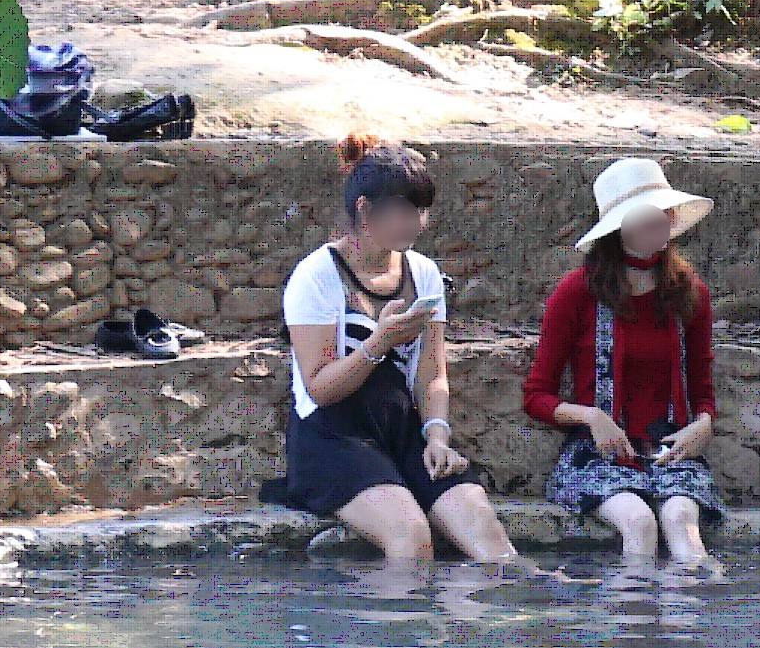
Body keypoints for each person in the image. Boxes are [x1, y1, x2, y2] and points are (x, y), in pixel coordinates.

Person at [273, 135, 518, 565]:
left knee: (489, 537)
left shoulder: (423, 273)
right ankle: (392, 632)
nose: (417, 223)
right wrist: (379, 342)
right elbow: (319, 389)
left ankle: (491, 622)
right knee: (412, 538)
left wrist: (437, 436)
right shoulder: (315, 276)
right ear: (365, 211)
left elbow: (431, 374)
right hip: (331, 434)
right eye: (405, 210)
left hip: (402, 430)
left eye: (421, 210)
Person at [527, 156, 726, 566]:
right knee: (638, 522)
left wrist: (703, 424)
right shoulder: (576, 292)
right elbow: (537, 396)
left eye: (666, 212)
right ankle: (627, 625)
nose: (665, 220)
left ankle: (692, 623)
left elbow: (702, 388)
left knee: (682, 520)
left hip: (670, 451)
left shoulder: (691, 292)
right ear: (620, 228)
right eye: (650, 214)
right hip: (597, 455)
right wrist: (591, 417)